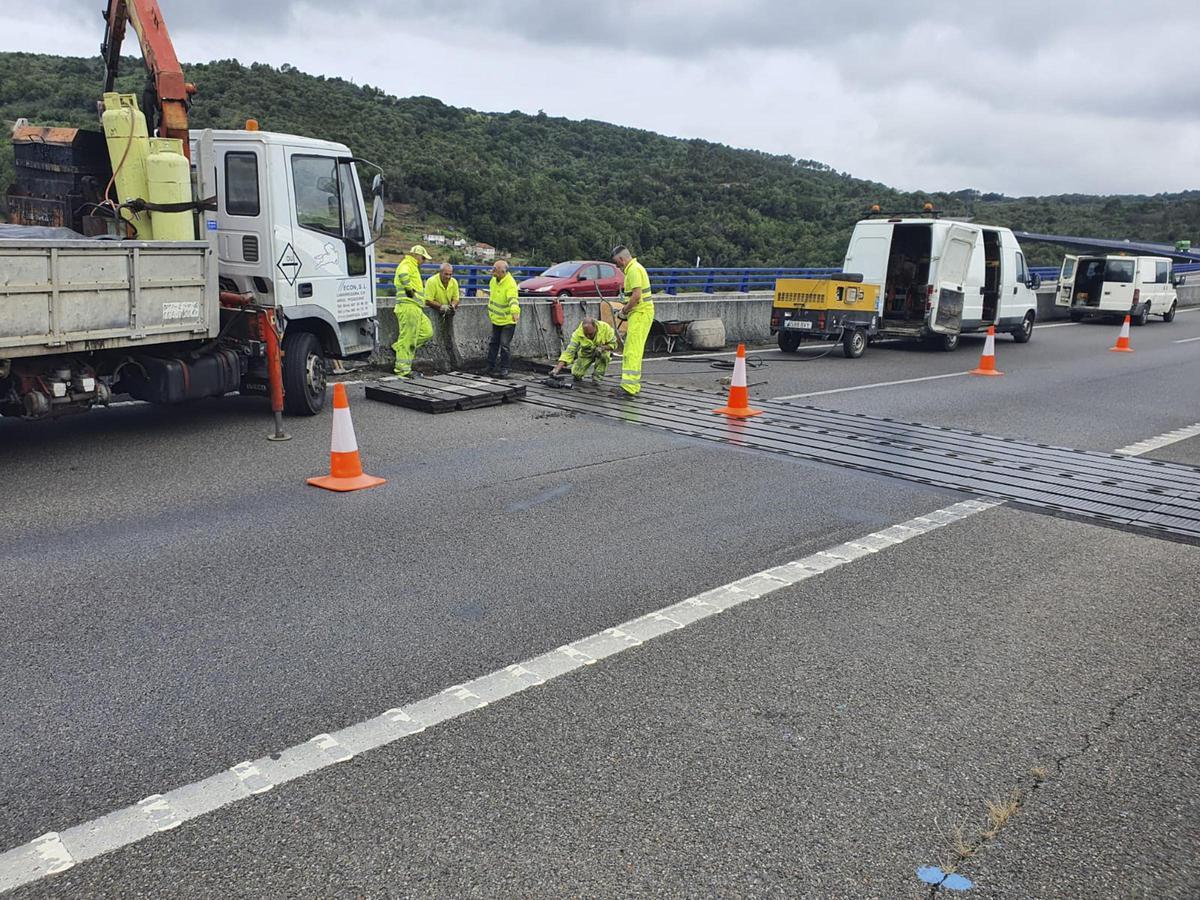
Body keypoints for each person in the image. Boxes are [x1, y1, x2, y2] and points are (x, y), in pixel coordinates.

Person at [611, 245, 654, 397]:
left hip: (640, 313)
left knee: (632, 351)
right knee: (632, 349)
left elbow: (636, 297)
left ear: (622, 259)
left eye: (618, 263)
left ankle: (629, 387)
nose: (618, 266)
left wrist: (623, 311)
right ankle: (631, 385)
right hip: (639, 313)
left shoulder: (634, 270)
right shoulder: (634, 268)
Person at [391, 244, 433, 377]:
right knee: (407, 338)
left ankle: (399, 348)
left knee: (427, 332)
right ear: (416, 255)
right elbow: (403, 273)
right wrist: (408, 288)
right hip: (408, 306)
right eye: (423, 258)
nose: (424, 261)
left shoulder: (413, 266)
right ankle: (402, 370)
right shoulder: (408, 263)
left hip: (416, 308)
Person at [549, 316, 617, 385]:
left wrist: (602, 348)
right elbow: (569, 352)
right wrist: (556, 369)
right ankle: (578, 373)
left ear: (595, 327)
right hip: (586, 353)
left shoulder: (606, 329)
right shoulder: (578, 334)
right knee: (576, 374)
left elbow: (614, 345)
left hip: (602, 352)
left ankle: (597, 378)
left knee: (604, 356)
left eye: (590, 334)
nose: (588, 336)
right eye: (586, 334)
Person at [484, 259, 520, 377]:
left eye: (495, 270)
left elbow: (512, 299)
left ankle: (505, 368)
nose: (492, 271)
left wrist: (515, 312)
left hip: (508, 320)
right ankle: (490, 366)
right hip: (496, 319)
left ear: (502, 272)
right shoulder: (493, 281)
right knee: (494, 343)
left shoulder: (510, 284)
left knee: (504, 344)